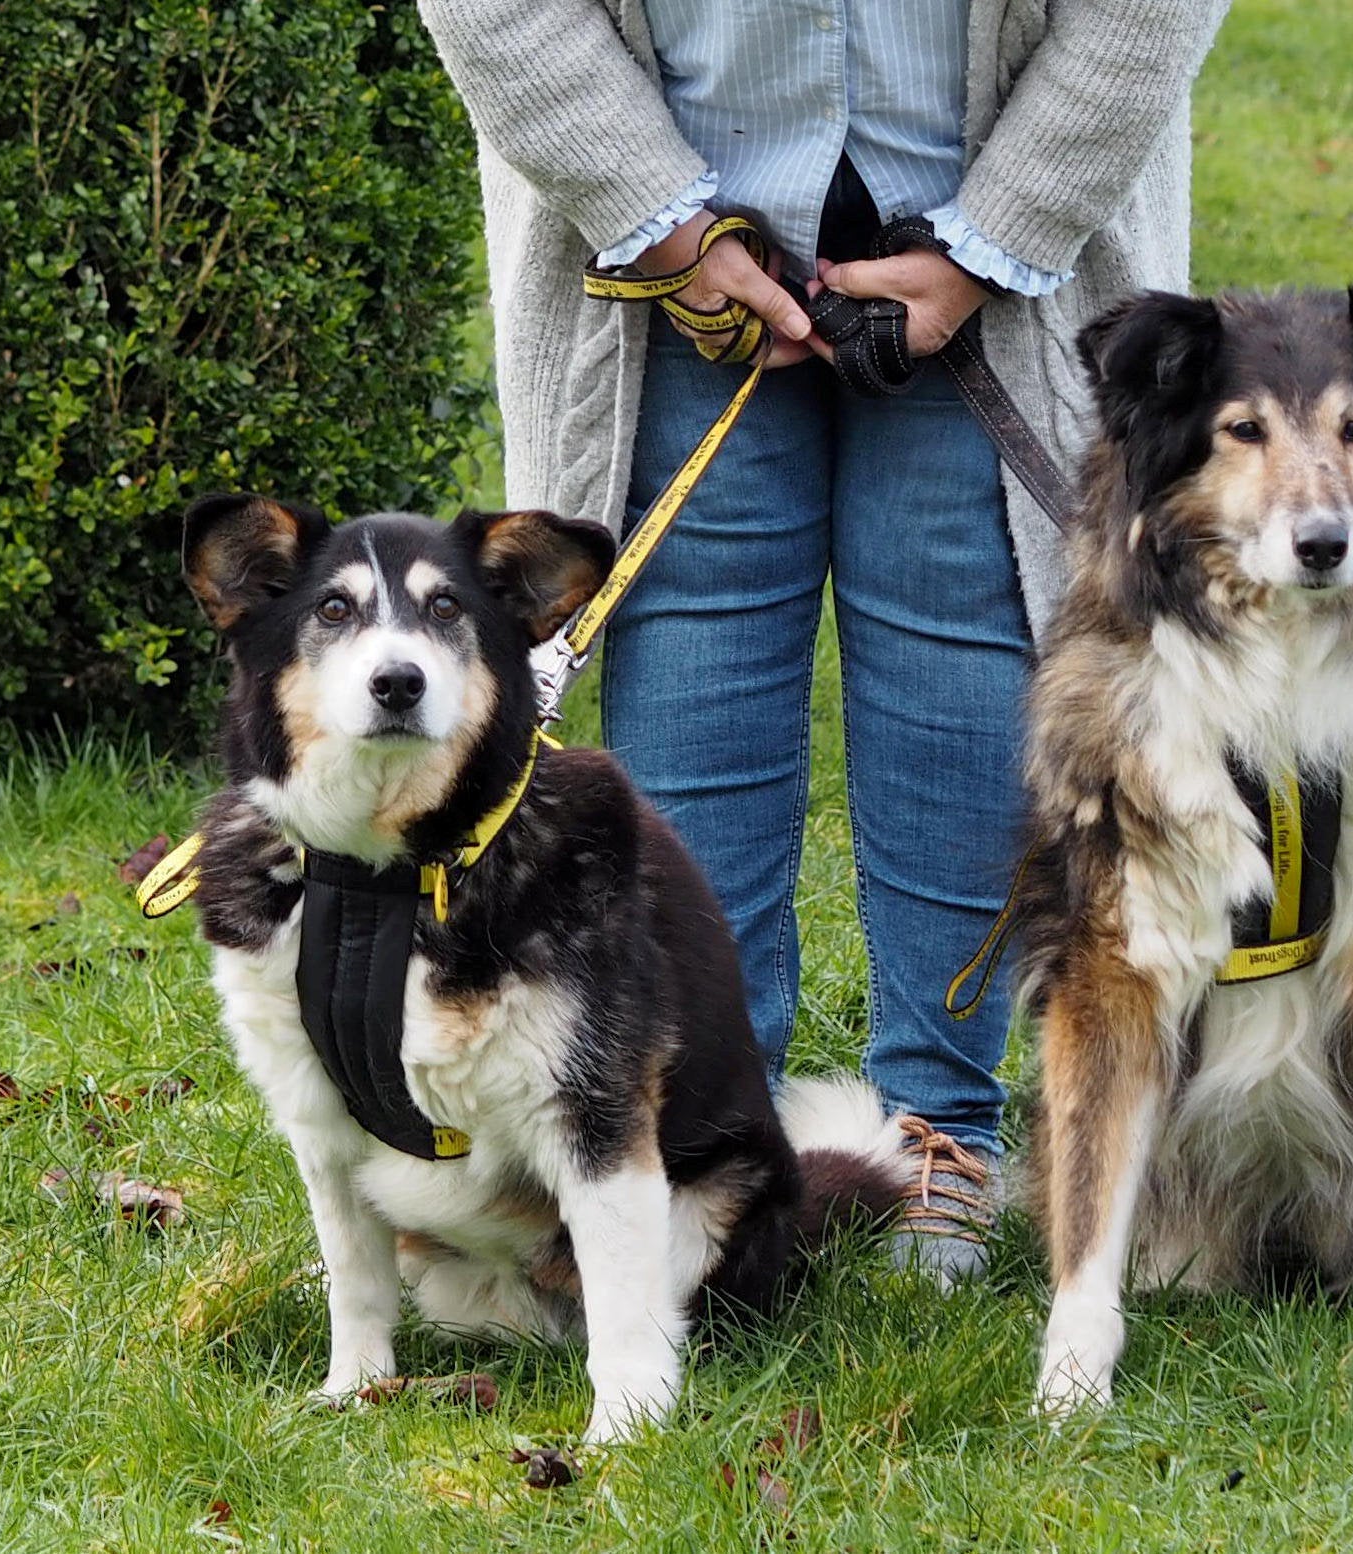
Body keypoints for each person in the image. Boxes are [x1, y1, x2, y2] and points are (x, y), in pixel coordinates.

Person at [420, 0, 1228, 1284]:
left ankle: (943, 1136)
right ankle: (694, 1146)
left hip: (994, 228)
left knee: (964, 656)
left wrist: (996, 240)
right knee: (693, 684)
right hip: (662, 241)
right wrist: (659, 218)